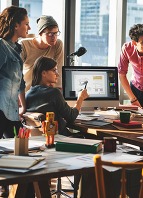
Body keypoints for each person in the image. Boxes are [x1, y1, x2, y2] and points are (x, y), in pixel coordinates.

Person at [0, 5, 30, 197]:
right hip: (1, 110)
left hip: (11, 110)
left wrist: (24, 106)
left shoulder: (17, 49)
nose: (28, 28)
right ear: (16, 25)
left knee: (20, 154)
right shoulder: (1, 47)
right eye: (26, 24)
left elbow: (20, 83)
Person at [25, 56, 88, 136]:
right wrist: (80, 98)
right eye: (54, 70)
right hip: (60, 138)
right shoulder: (54, 93)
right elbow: (71, 117)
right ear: (44, 73)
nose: (57, 74)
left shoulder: (28, 93)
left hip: (42, 139)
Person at [20, 15, 64, 91]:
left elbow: (59, 70)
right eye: (50, 34)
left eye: (56, 33)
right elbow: (17, 73)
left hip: (46, 92)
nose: (54, 37)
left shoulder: (58, 44)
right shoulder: (24, 45)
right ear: (40, 33)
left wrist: (57, 93)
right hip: (27, 91)